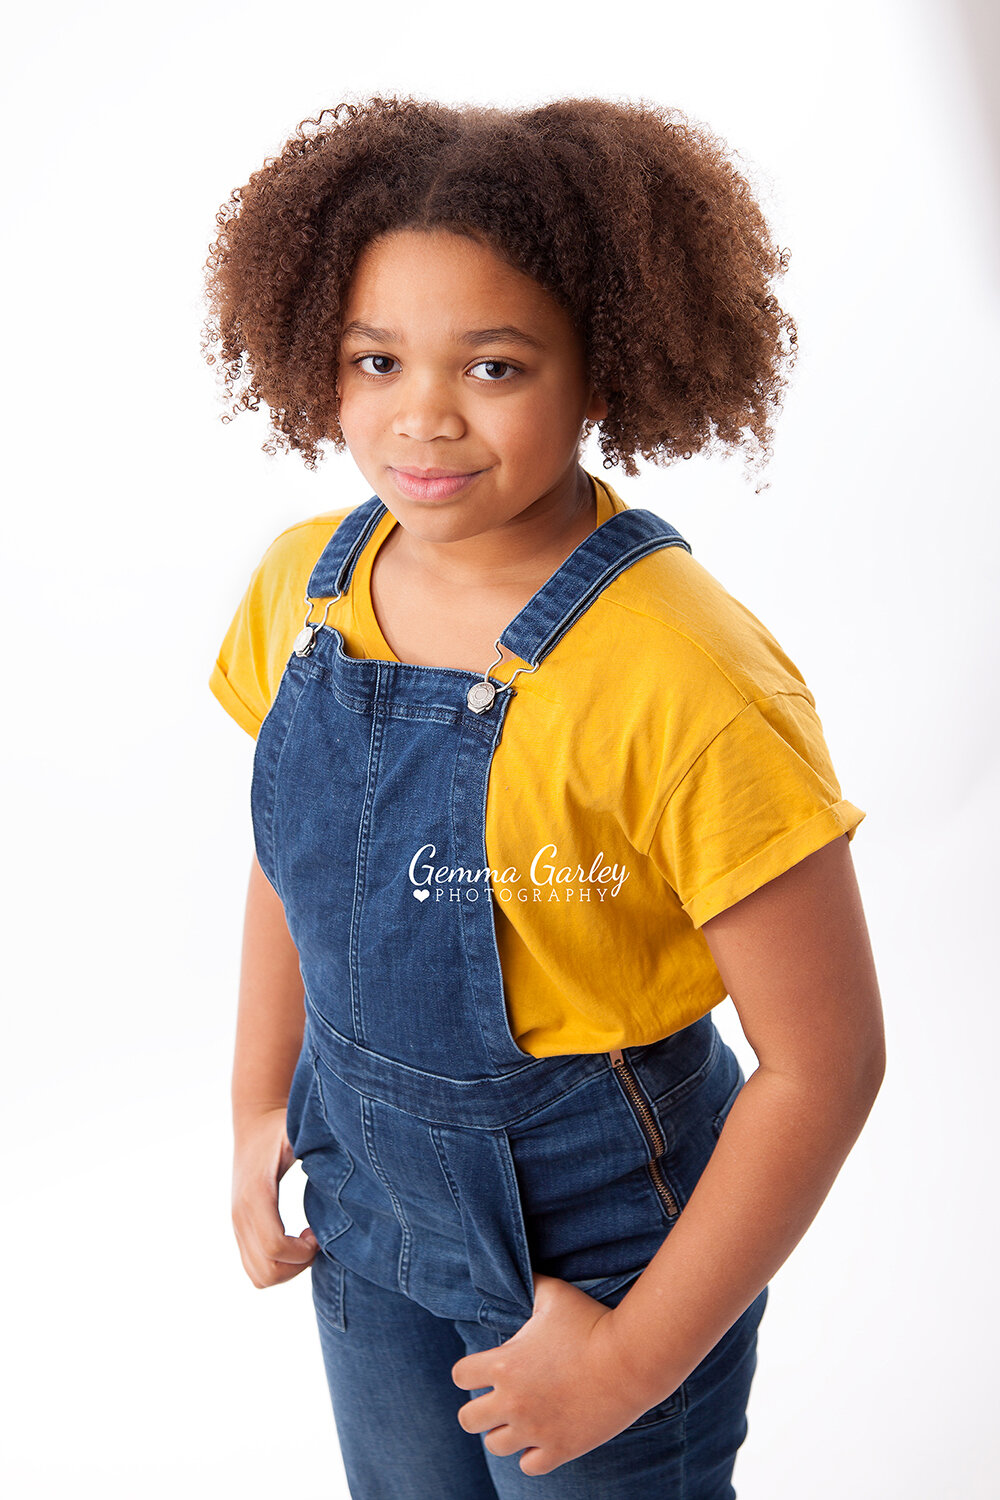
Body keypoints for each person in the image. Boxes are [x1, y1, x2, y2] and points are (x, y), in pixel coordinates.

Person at [203, 94, 885, 1498]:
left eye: (497, 366)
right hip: (362, 1187)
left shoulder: (685, 672)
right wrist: (254, 1100)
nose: (423, 416)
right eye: (376, 359)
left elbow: (826, 1064)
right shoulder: (305, 592)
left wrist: (633, 1362)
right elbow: (298, 865)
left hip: (603, 1241)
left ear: (602, 372)